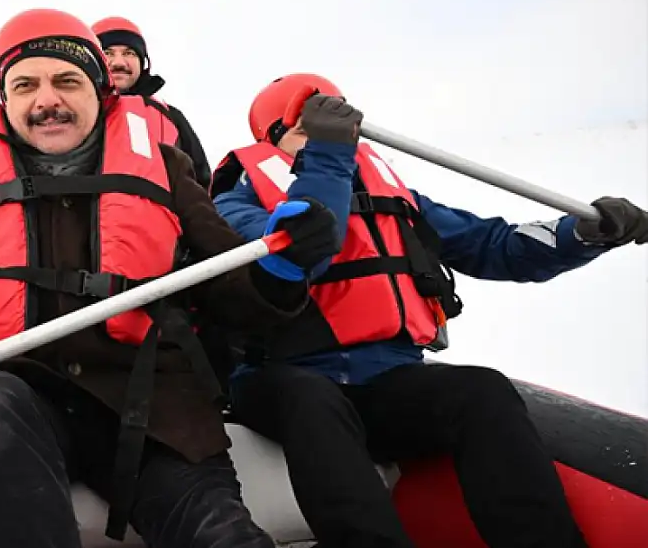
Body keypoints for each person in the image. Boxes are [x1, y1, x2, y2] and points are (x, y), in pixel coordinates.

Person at [0, 11, 341, 548]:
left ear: (100, 91)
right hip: (10, 397)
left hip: (151, 409)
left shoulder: (166, 169)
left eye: (66, 80)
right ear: (5, 98)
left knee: (222, 536)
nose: (46, 101)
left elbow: (232, 291)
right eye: (26, 85)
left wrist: (280, 268)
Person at [208, 72, 648, 548]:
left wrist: (582, 233)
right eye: (310, 124)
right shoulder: (235, 199)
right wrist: (329, 159)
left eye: (339, 122)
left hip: (386, 377)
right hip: (284, 375)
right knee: (312, 401)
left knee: (481, 391)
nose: (335, 134)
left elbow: (493, 245)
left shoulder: (395, 200)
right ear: (275, 137)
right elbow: (306, 246)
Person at [91, 16, 212, 189]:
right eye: (107, 53)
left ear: (143, 63)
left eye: (129, 53)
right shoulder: (69, 112)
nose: (118, 63)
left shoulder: (170, 116)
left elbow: (201, 182)